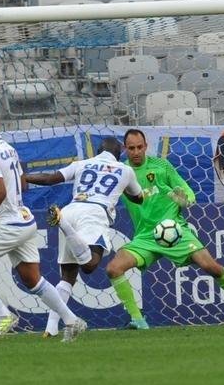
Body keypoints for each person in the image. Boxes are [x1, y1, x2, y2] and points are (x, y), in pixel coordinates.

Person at [105, 129, 224, 328]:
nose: (136, 152)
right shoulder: (122, 172)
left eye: (140, 147)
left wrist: (185, 200)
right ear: (124, 149)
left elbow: (187, 190)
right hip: (145, 236)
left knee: (211, 267)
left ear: (146, 146)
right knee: (114, 268)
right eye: (131, 148)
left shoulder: (162, 166)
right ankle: (138, 319)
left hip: (175, 230)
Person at [0, 106, 88, 343]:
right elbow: (22, 182)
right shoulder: (8, 149)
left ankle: (2, 315)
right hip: (25, 219)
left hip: (10, 224)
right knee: (32, 279)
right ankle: (72, 320)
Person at [25, 136, 146, 338]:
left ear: (98, 151)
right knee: (89, 265)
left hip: (71, 210)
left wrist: (24, 177)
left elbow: (50, 178)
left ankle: (50, 328)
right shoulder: (125, 170)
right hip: (95, 213)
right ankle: (62, 224)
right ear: (120, 153)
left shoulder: (82, 163)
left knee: (67, 277)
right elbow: (139, 197)